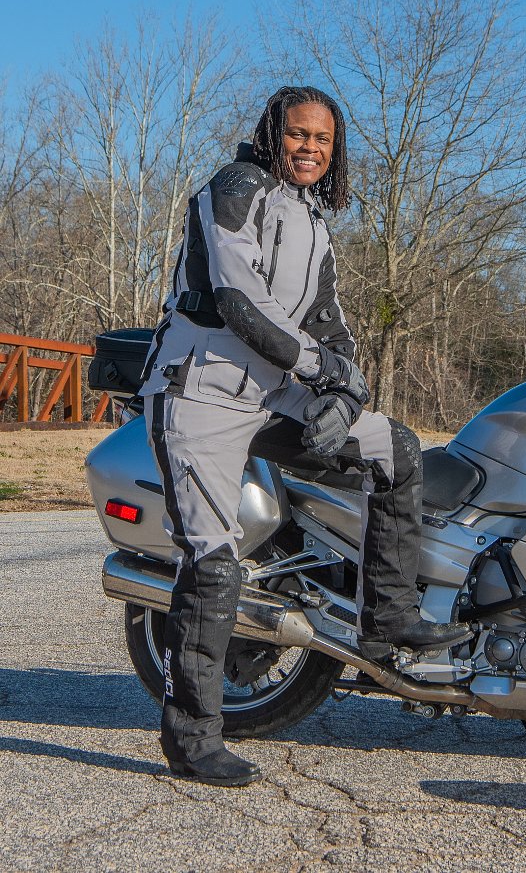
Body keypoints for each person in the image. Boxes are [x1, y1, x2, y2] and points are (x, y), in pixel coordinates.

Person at [138, 86, 470, 787]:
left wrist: (347, 391)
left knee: (396, 453)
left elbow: (327, 320)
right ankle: (192, 738)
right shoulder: (236, 188)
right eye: (298, 134)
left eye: (323, 139)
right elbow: (238, 300)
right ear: (273, 133)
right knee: (213, 563)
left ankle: (387, 623)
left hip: (272, 390)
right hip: (200, 389)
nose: (310, 148)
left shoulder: (313, 217)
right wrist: (322, 371)